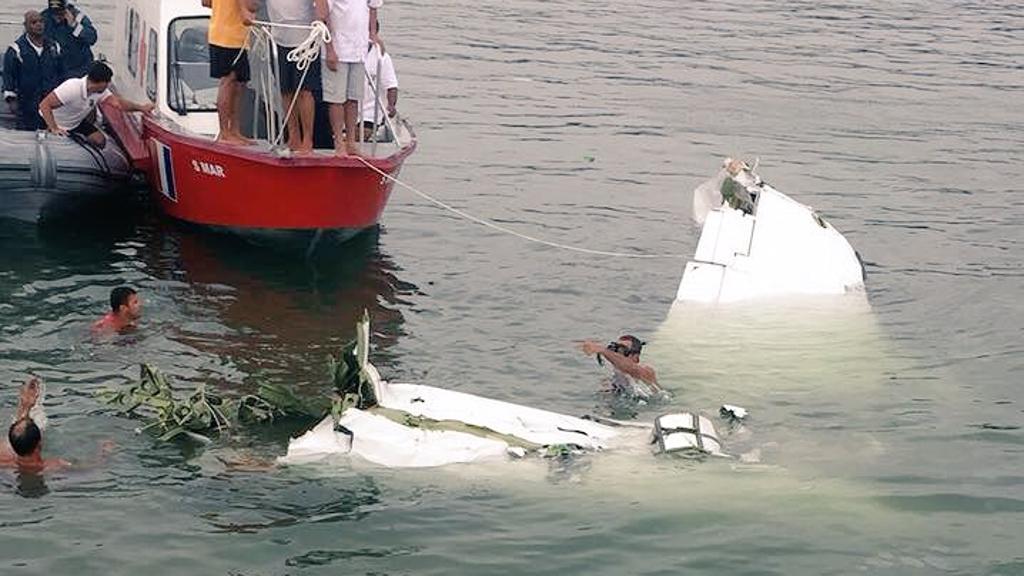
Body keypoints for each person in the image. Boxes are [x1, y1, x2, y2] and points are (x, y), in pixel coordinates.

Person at [38, 60, 155, 149]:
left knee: (100, 141)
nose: (109, 85)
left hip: (74, 123)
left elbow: (118, 103)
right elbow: (44, 105)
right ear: (100, 82)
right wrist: (54, 128)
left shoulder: (100, 92)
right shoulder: (72, 87)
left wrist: (141, 108)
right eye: (107, 82)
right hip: (53, 122)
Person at [318, 0, 382, 157]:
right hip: (338, 50)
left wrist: (373, 34)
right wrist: (329, 48)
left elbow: (373, 7)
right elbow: (323, 16)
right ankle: (339, 142)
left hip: (358, 50)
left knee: (353, 98)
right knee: (336, 99)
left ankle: (351, 142)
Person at [268, 0, 321, 153]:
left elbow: (322, 6)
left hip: (305, 40)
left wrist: (320, 20)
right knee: (285, 90)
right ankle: (294, 136)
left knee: (305, 91)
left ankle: (308, 139)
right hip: (278, 38)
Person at [202, 0, 256, 145]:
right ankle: (225, 132)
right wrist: (245, 9)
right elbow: (251, 6)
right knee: (228, 81)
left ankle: (234, 130)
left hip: (230, 34)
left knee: (238, 83)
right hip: (227, 36)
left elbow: (206, 2)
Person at [2, 10, 64, 130]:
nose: (39, 25)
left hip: (50, 102)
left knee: (51, 134)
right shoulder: (16, 49)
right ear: (25, 26)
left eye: (41, 21)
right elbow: (8, 76)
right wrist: (11, 100)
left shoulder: (54, 47)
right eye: (34, 22)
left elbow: (62, 73)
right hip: (27, 103)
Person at [0, 378, 69, 473]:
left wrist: (25, 407)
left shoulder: (3, 459)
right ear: (40, 442)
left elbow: (18, 435)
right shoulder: (55, 466)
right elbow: (90, 468)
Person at [579, 335, 662, 398]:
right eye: (615, 349)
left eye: (622, 350)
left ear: (635, 357)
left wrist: (602, 350)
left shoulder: (646, 372)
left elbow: (629, 368)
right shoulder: (612, 379)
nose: (617, 354)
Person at [360, 19, 397, 142]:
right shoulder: (345, 52)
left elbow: (391, 85)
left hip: (370, 113)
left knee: (361, 134)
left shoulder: (382, 57)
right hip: (346, 110)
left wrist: (391, 106)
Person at [40, 0, 96, 79]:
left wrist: (74, 25)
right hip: (55, 72)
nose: (57, 18)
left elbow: (92, 38)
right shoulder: (43, 18)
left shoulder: (78, 17)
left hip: (79, 69)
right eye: (54, 13)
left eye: (60, 13)